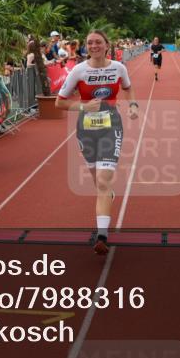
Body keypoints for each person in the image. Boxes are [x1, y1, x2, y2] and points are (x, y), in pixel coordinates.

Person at [56, 30, 137, 255]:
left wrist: (132, 105)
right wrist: (82, 106)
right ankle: (106, 194)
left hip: (111, 126)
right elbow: (58, 103)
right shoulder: (79, 70)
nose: (94, 46)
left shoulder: (119, 68)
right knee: (97, 179)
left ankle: (102, 235)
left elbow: (128, 88)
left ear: (106, 45)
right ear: (86, 46)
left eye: (98, 42)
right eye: (90, 42)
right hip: (86, 129)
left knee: (102, 180)